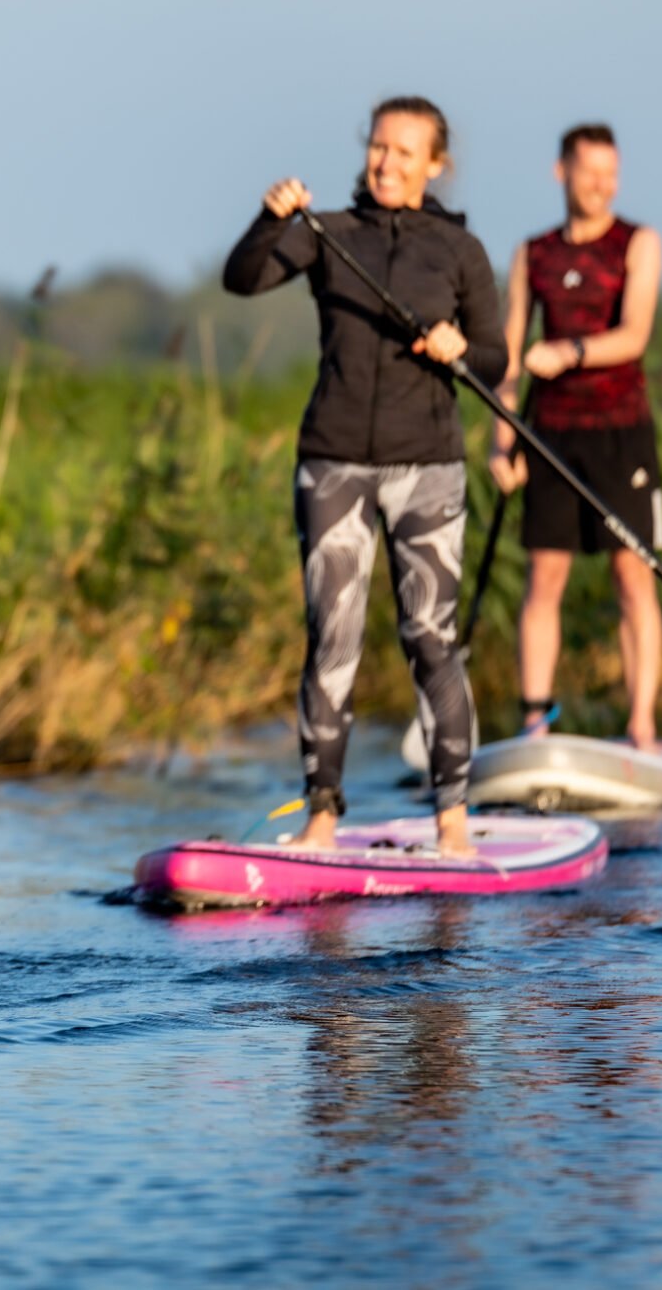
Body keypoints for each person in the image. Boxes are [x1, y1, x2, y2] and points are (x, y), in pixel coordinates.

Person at [223, 98, 508, 855]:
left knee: (430, 639)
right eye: (379, 148)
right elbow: (242, 280)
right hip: (334, 460)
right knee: (333, 640)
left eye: (405, 153)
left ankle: (453, 820)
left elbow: (495, 358)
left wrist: (458, 348)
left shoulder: (459, 251)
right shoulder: (328, 235)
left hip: (429, 465)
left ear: (435, 165)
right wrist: (269, 219)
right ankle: (322, 817)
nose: (387, 162)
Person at [487, 123, 662, 750]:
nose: (603, 185)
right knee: (545, 579)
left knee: (633, 576)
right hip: (549, 436)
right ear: (561, 171)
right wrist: (500, 442)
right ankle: (535, 724)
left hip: (622, 433)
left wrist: (568, 352)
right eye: (590, 172)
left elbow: (634, 334)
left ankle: (641, 726)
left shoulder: (637, 243)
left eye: (611, 173)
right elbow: (510, 355)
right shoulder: (531, 253)